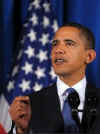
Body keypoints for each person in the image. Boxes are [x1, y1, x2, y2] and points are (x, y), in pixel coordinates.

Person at [8, 22, 100, 134]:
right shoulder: (31, 104)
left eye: (69, 44)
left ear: (89, 56)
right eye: (55, 44)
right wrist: (21, 130)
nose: (58, 50)